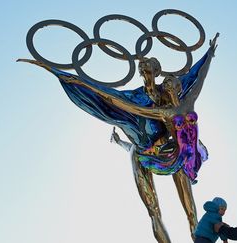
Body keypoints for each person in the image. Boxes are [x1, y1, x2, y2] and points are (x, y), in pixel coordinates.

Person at [18, 33, 219, 243]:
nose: (143, 67)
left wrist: (209, 55)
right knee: (153, 209)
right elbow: (111, 97)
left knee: (189, 207)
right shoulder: (135, 97)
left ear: (158, 70)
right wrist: (75, 80)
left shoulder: (175, 95)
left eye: (148, 64)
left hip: (172, 151)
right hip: (143, 155)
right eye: (141, 66)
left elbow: (196, 77)